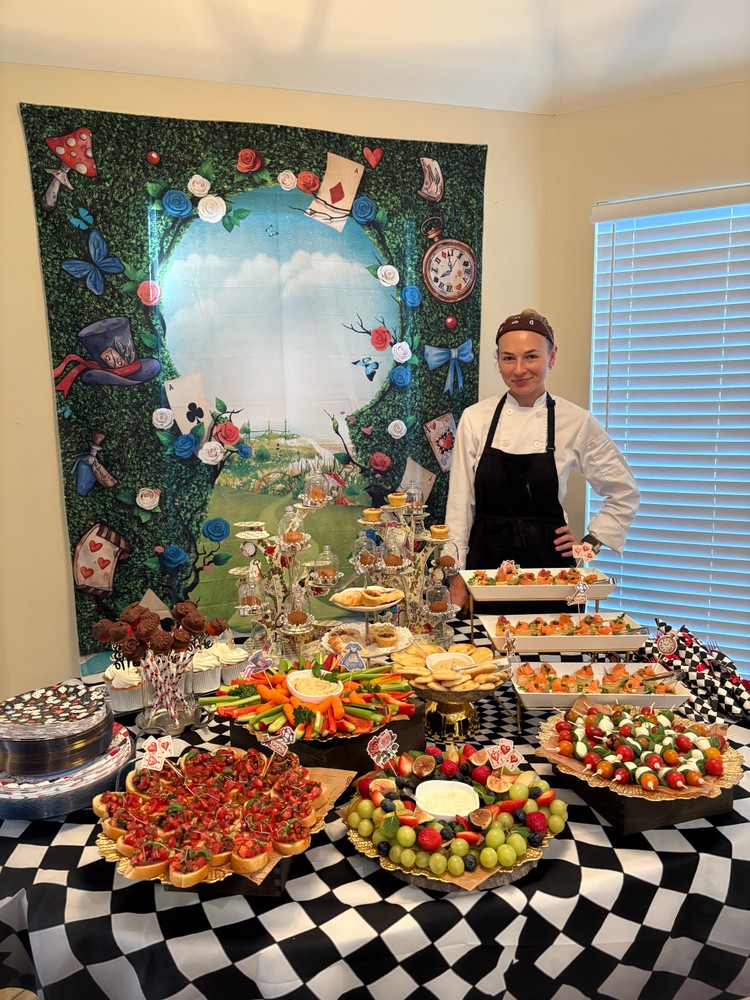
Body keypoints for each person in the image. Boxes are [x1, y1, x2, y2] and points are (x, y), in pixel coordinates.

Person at [446, 308, 639, 614]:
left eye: (531, 356)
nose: (519, 369)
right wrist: (454, 574)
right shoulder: (475, 419)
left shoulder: (576, 421)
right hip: (483, 570)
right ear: (497, 360)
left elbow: (624, 491)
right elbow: (459, 506)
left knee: (551, 654)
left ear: (552, 356)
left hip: (550, 572)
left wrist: (589, 544)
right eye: (508, 358)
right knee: (482, 657)